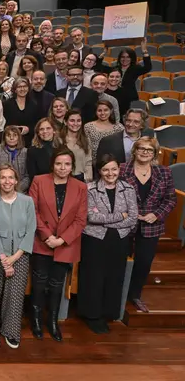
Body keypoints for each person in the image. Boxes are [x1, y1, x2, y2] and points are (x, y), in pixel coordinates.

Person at [28, 147, 87, 342]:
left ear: (72, 166)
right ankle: (36, 320)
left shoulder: (80, 187)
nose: (62, 168)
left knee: (56, 286)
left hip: (65, 244)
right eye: (59, 163)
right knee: (38, 284)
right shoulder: (39, 181)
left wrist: (61, 240)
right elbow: (32, 211)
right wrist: (47, 237)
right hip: (41, 242)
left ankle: (52, 322)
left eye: (67, 164)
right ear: (52, 164)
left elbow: (80, 219)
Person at [80, 154, 138, 333]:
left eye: (114, 169)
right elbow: (91, 217)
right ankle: (92, 315)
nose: (110, 173)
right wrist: (121, 216)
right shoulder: (90, 189)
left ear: (119, 170)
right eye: (105, 169)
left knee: (114, 277)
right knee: (94, 278)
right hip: (95, 239)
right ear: (99, 171)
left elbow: (134, 217)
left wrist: (109, 221)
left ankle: (108, 313)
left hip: (119, 239)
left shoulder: (128, 188)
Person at [0, 164, 35, 349]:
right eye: (3, 177)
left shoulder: (27, 202)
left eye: (11, 177)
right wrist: (4, 258)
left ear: (17, 180)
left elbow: (30, 230)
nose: (7, 181)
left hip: (20, 255)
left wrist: (15, 257)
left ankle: (10, 331)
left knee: (15, 295)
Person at [120, 137, 176, 313]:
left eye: (149, 150)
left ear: (154, 153)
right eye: (141, 148)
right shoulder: (122, 169)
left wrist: (157, 214)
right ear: (134, 150)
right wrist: (126, 213)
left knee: (144, 262)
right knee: (120, 261)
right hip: (125, 224)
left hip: (151, 225)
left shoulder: (164, 172)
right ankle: (117, 293)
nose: (145, 152)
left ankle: (134, 294)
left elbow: (170, 199)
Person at [59, 109, 92, 182]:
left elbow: (88, 162)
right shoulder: (59, 140)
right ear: (65, 122)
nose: (76, 123)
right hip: (63, 178)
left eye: (78, 120)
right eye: (72, 120)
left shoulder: (85, 140)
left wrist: (88, 178)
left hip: (82, 178)